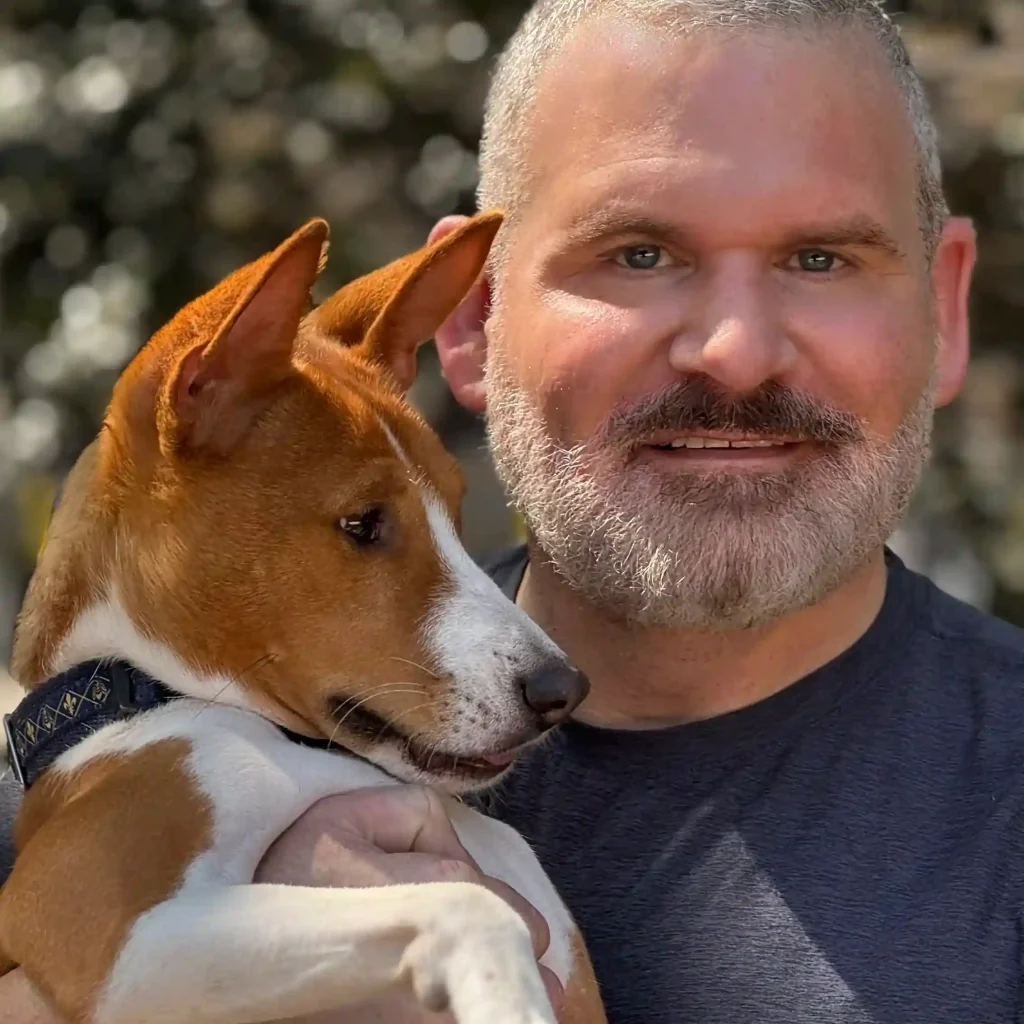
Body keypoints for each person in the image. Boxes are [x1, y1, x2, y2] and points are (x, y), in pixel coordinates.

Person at [3, 0, 1023, 1021]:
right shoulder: (187, 726)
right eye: (636, 254)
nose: (734, 350)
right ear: (472, 316)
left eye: (819, 259)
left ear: (942, 306)